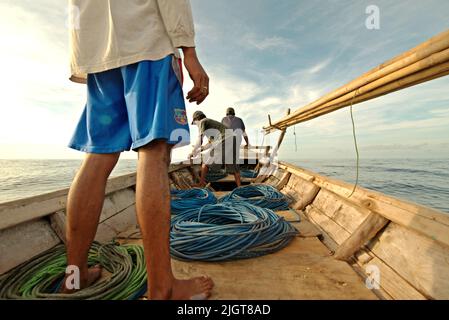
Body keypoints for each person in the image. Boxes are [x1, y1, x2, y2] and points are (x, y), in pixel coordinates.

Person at [63, 0, 214, 300]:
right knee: (155, 151)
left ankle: (74, 277)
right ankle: (162, 288)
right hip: (147, 41)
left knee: (98, 155)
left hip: (98, 51)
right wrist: (190, 52)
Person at [189, 111, 241, 187]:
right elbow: (210, 143)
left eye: (194, 123)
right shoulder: (211, 125)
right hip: (233, 139)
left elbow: (200, 138)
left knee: (205, 163)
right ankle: (239, 187)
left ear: (196, 119)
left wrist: (192, 152)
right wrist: (199, 150)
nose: (196, 125)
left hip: (225, 139)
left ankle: (201, 183)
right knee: (234, 166)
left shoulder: (202, 121)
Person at [221, 107, 250, 174]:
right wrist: (247, 143)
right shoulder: (239, 120)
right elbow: (244, 133)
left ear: (227, 113)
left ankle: (227, 171)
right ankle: (236, 171)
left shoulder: (223, 119)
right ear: (234, 113)